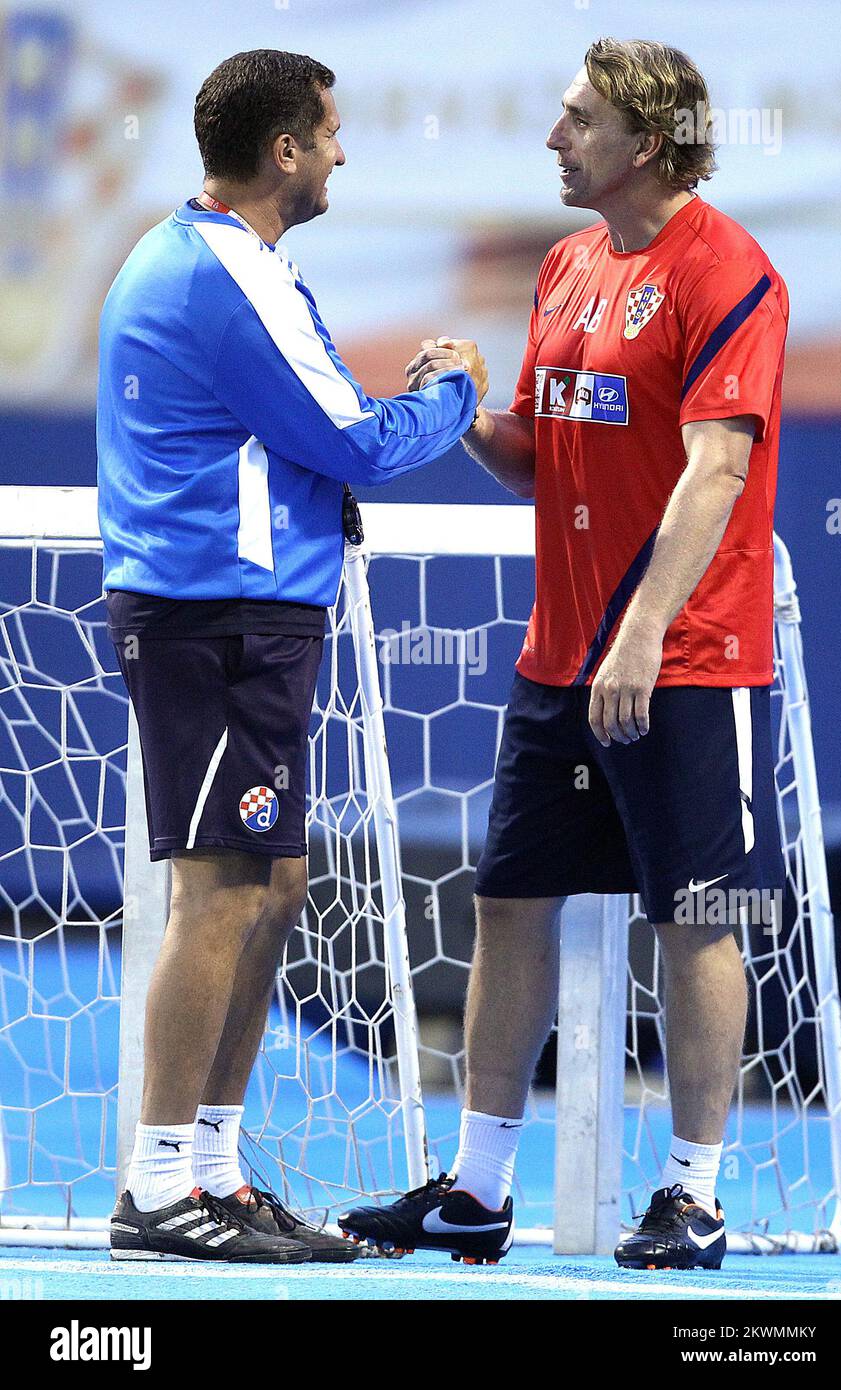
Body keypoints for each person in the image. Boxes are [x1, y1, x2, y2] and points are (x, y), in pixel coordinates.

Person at [340, 36, 788, 1271]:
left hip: (685, 656)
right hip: (558, 661)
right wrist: (462, 413)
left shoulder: (729, 271)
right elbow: (538, 456)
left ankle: (690, 1194)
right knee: (508, 905)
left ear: (644, 141)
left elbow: (717, 470)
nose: (551, 137)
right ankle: (478, 1189)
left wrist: (642, 631)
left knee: (700, 916)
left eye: (575, 118)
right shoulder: (565, 266)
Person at [99, 48, 487, 1264]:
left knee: (268, 886)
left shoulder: (230, 262)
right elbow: (355, 442)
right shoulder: (227, 273)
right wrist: (457, 394)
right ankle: (159, 1183)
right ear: (282, 151)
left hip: (239, 620)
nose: (338, 154)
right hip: (218, 620)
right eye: (327, 134)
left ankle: (210, 1171)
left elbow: (294, 442)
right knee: (218, 892)